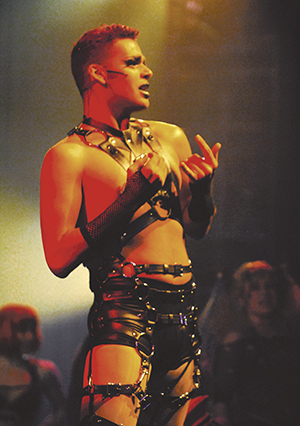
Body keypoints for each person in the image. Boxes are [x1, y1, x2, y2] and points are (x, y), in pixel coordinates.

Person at [40, 23, 221, 426]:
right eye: (134, 62)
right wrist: (130, 197)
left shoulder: (171, 138)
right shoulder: (69, 156)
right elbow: (58, 258)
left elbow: (195, 228)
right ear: (98, 73)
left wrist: (204, 192)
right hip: (125, 312)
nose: (148, 71)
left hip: (182, 312)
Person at [199, 261, 300, 426]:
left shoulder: (289, 337)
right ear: (242, 297)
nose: (264, 294)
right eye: (255, 288)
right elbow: (222, 396)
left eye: (269, 286)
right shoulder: (238, 340)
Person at [0, 304, 66, 426]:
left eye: (32, 329)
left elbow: (63, 410)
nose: (30, 336)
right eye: (23, 329)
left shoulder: (43, 371)